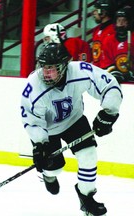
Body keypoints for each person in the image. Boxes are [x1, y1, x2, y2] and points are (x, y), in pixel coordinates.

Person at [20, 43, 122, 215]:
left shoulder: (80, 71)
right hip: (48, 130)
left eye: (52, 68)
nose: (46, 73)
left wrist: (109, 113)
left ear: (65, 65)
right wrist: (39, 144)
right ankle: (49, 175)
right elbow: (32, 121)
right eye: (44, 67)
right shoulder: (33, 86)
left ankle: (86, 198)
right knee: (55, 167)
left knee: (88, 156)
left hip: (74, 120)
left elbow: (109, 85)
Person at [101, 6, 134, 83]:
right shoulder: (108, 40)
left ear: (129, 22)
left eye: (124, 20)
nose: (121, 23)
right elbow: (107, 64)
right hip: (115, 80)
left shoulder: (132, 38)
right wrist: (116, 73)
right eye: (118, 20)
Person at [91, 0, 116, 68]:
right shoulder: (96, 29)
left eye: (96, 10)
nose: (94, 13)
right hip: (96, 68)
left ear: (103, 13)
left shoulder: (114, 30)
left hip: (107, 68)